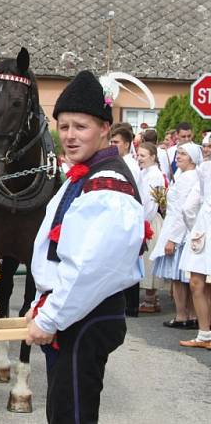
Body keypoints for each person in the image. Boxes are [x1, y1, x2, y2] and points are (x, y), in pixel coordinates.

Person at [25, 70, 144, 424]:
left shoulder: (107, 184)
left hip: (86, 314)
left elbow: (90, 268)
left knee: (71, 414)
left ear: (105, 128)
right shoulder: (85, 174)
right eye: (63, 127)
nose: (70, 136)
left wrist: (50, 315)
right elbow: (54, 250)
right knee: (63, 410)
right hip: (74, 312)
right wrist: (40, 305)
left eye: (81, 126)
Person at [150, 142, 201, 329]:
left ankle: (182, 315)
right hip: (181, 229)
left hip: (180, 233)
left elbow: (183, 211)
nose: (178, 156)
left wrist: (173, 238)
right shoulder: (184, 175)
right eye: (177, 153)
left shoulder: (189, 177)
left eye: (183, 154)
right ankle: (191, 314)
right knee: (183, 279)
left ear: (192, 158)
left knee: (179, 279)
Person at [179, 150, 211, 348]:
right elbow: (189, 207)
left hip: (203, 229)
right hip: (203, 230)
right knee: (198, 283)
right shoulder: (204, 168)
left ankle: (205, 334)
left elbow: (189, 208)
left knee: (198, 284)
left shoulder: (205, 168)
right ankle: (204, 334)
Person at [137, 142, 168, 313]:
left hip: (150, 220)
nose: (139, 158)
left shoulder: (155, 175)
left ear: (153, 157)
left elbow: (151, 202)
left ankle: (150, 299)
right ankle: (151, 299)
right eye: (139, 155)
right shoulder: (145, 172)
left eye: (143, 155)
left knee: (149, 260)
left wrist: (143, 221)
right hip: (147, 219)